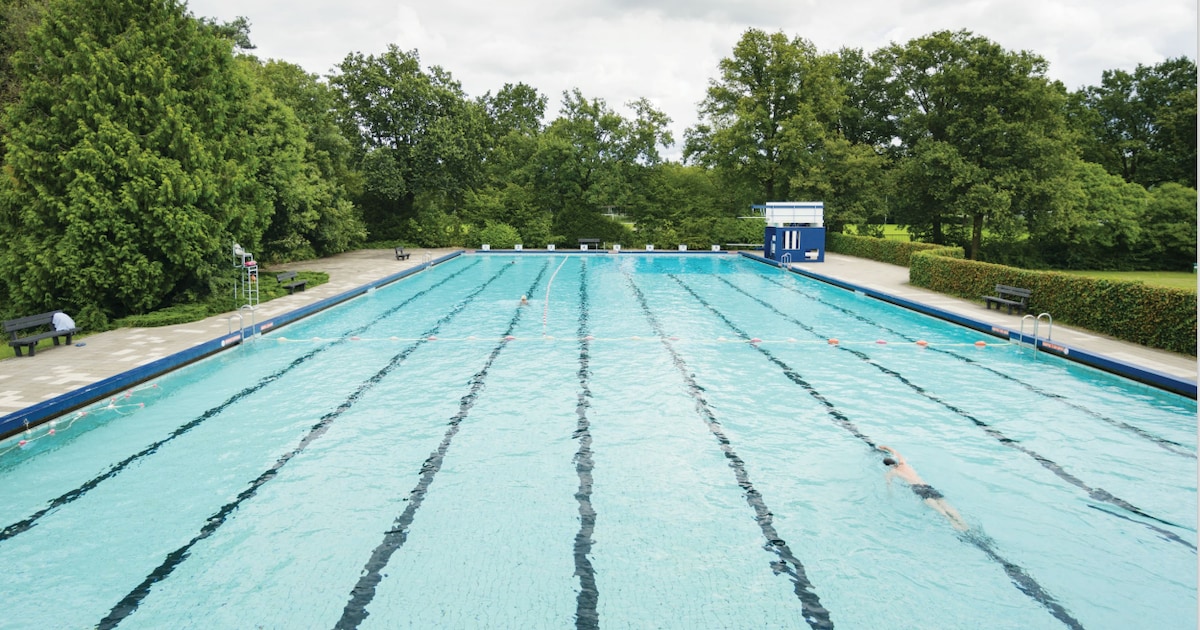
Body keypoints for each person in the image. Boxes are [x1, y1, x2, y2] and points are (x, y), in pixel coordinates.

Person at [878, 445, 968, 531]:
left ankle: (953, 524)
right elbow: (896, 452)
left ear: (888, 466)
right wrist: (885, 447)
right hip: (927, 486)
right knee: (946, 505)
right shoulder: (903, 463)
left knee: (939, 509)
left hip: (918, 489)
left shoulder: (892, 472)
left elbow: (889, 484)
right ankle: (964, 524)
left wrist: (890, 495)